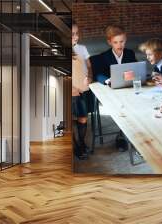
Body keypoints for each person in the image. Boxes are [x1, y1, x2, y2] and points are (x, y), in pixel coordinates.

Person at [72, 22, 92, 160]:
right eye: (72, 34)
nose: (75, 36)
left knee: (83, 117)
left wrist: (90, 76)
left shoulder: (83, 48)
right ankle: (75, 147)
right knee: (70, 120)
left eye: (77, 33)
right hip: (71, 90)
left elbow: (89, 66)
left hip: (84, 88)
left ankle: (81, 142)